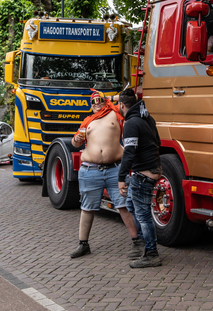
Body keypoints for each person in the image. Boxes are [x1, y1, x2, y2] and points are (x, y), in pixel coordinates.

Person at [69, 90, 139, 259]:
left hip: (115, 169)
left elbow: (131, 99)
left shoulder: (115, 113)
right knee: (87, 208)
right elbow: (74, 142)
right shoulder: (88, 121)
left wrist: (110, 98)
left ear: (105, 100)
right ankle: (83, 244)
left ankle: (138, 242)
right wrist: (77, 140)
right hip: (90, 170)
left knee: (124, 206)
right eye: (93, 101)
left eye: (99, 100)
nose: (96, 103)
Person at [117, 88, 163, 268]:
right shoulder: (147, 119)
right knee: (131, 205)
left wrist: (121, 177)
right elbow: (157, 142)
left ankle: (151, 253)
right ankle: (144, 242)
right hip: (152, 169)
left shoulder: (131, 123)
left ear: (121, 105)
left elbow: (129, 152)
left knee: (143, 215)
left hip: (142, 175)